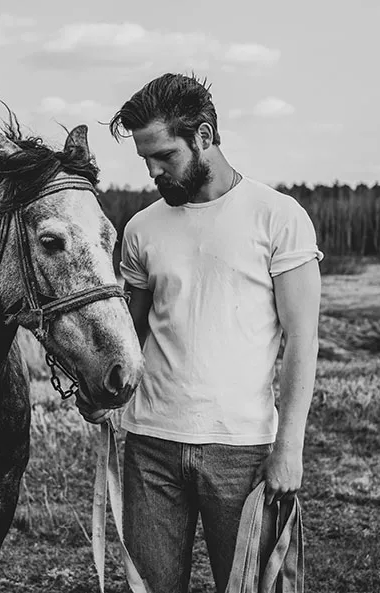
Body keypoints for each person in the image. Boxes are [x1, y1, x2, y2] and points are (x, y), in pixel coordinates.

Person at [77, 72, 323, 593]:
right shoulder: (142, 228)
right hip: (151, 449)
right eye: (145, 159)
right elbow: (132, 331)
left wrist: (290, 446)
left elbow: (302, 340)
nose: (152, 170)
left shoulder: (279, 218)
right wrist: (103, 392)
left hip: (243, 451)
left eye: (164, 155)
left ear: (205, 136)